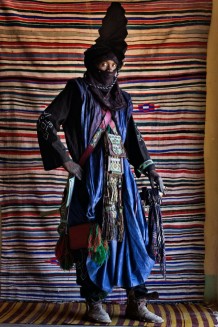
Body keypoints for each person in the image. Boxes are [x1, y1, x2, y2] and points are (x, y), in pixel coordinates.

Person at [37, 3, 165, 324]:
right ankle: (95, 304)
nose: (109, 68)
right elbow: (47, 120)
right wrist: (65, 159)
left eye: (113, 63)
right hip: (90, 183)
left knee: (133, 237)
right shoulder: (77, 90)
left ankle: (137, 301)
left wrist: (150, 169)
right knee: (91, 239)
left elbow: (133, 139)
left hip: (123, 184)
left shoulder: (124, 100)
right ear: (92, 65)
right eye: (103, 62)